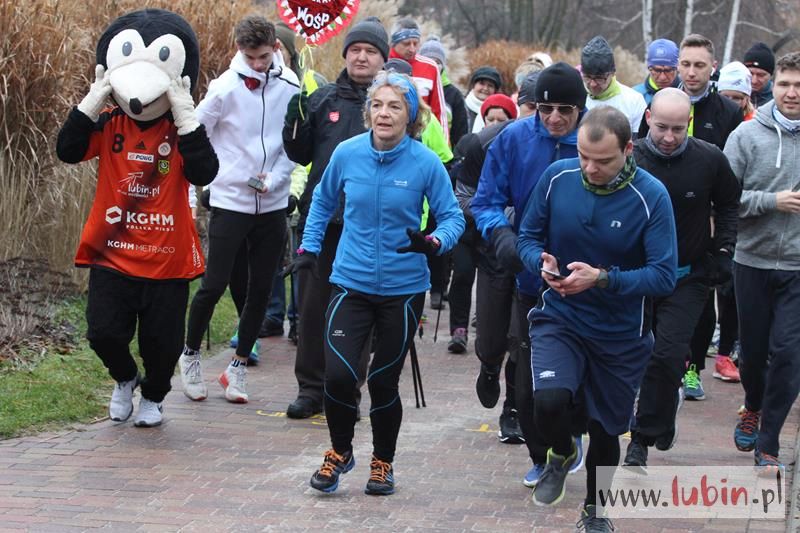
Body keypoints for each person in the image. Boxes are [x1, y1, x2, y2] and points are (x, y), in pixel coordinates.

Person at [293, 71, 464, 495]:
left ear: (411, 116)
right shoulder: (348, 153)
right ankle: (340, 452)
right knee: (338, 377)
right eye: (378, 105)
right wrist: (308, 249)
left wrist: (434, 242)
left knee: (384, 381)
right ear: (368, 112)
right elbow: (321, 200)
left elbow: (453, 217)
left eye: (395, 106)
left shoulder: (425, 162)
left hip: (403, 290)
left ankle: (383, 463)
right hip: (350, 282)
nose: (384, 113)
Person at [55, 8, 218, 427]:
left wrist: (186, 115)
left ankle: (155, 396)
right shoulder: (110, 124)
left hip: (167, 259)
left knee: (162, 344)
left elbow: (204, 172)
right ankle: (125, 378)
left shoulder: (184, 133)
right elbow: (68, 149)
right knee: (103, 333)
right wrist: (93, 99)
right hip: (113, 251)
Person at [517, 106, 677, 530]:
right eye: (584, 156)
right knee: (547, 401)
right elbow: (527, 237)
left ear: (627, 149)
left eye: (603, 160)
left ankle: (596, 512)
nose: (590, 168)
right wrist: (541, 263)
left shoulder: (652, 195)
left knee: (607, 430)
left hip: (620, 332)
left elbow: (663, 275)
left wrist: (603, 279)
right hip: (561, 315)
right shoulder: (557, 178)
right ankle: (562, 450)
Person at [471, 62, 589, 487]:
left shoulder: (598, 140)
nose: (554, 118)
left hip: (588, 279)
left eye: (565, 110)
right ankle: (542, 456)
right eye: (545, 109)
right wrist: (502, 236)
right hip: (529, 275)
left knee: (582, 374)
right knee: (528, 381)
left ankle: (573, 432)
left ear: (582, 109)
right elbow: (484, 201)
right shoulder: (513, 139)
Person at [177, 15, 298, 404]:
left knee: (261, 290)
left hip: (273, 203)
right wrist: (214, 176)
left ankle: (239, 366)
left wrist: (276, 178)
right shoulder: (225, 87)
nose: (257, 64)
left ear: (275, 49)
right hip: (231, 200)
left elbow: (291, 145)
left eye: (263, 56)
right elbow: (196, 133)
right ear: (239, 51)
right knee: (213, 285)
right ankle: (191, 354)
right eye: (250, 57)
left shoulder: (292, 85)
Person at [622, 88, 740, 469]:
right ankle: (658, 410)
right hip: (635, 276)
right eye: (661, 128)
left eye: (678, 128)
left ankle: (641, 438)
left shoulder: (709, 159)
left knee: (668, 354)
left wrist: (723, 250)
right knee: (634, 358)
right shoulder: (629, 158)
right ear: (647, 120)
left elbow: (728, 205)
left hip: (686, 277)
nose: (670, 138)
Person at [281, 17, 389, 420]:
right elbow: (299, 153)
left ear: (383, 59)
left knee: (358, 310)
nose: (362, 57)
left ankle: (345, 389)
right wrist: (293, 122)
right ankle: (310, 388)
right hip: (322, 221)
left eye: (371, 51)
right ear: (346, 54)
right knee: (313, 307)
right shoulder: (323, 98)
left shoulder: (389, 103)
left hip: (367, 225)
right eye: (356, 49)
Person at [725, 51, 800, 470]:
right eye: (786, 83)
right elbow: (725, 198)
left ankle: (768, 444)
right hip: (751, 260)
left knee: (789, 355)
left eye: (799, 85)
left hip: (797, 268)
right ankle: (752, 403)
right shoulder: (747, 136)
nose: (792, 93)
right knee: (753, 356)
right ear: (774, 85)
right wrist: (772, 202)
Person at [388, 17, 448, 141]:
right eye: (406, 44)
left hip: (422, 141)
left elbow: (440, 114)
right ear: (394, 43)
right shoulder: (381, 63)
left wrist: (443, 145)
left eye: (416, 43)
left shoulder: (431, 67)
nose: (412, 49)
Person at [581, 35, 647, 135]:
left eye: (599, 78)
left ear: (613, 73)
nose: (593, 84)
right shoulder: (576, 99)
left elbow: (640, 144)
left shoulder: (634, 101)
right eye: (587, 77)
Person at [419, 36, 469, 147]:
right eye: (429, 61)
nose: (433, 66)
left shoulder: (454, 95)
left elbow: (460, 132)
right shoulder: (414, 88)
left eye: (437, 62)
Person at [633, 38, 680, 105]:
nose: (662, 77)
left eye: (668, 70)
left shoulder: (689, 94)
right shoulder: (635, 96)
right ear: (649, 68)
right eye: (657, 70)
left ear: (677, 68)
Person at [464, 66, 502, 132]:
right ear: (473, 85)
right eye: (482, 84)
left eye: (490, 85)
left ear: (495, 90)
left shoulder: (500, 112)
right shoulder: (461, 107)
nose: (485, 88)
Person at [743, 42, 775, 108]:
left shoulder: (778, 99)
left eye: (761, 75)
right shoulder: (731, 93)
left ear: (770, 76)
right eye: (750, 74)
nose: (754, 81)